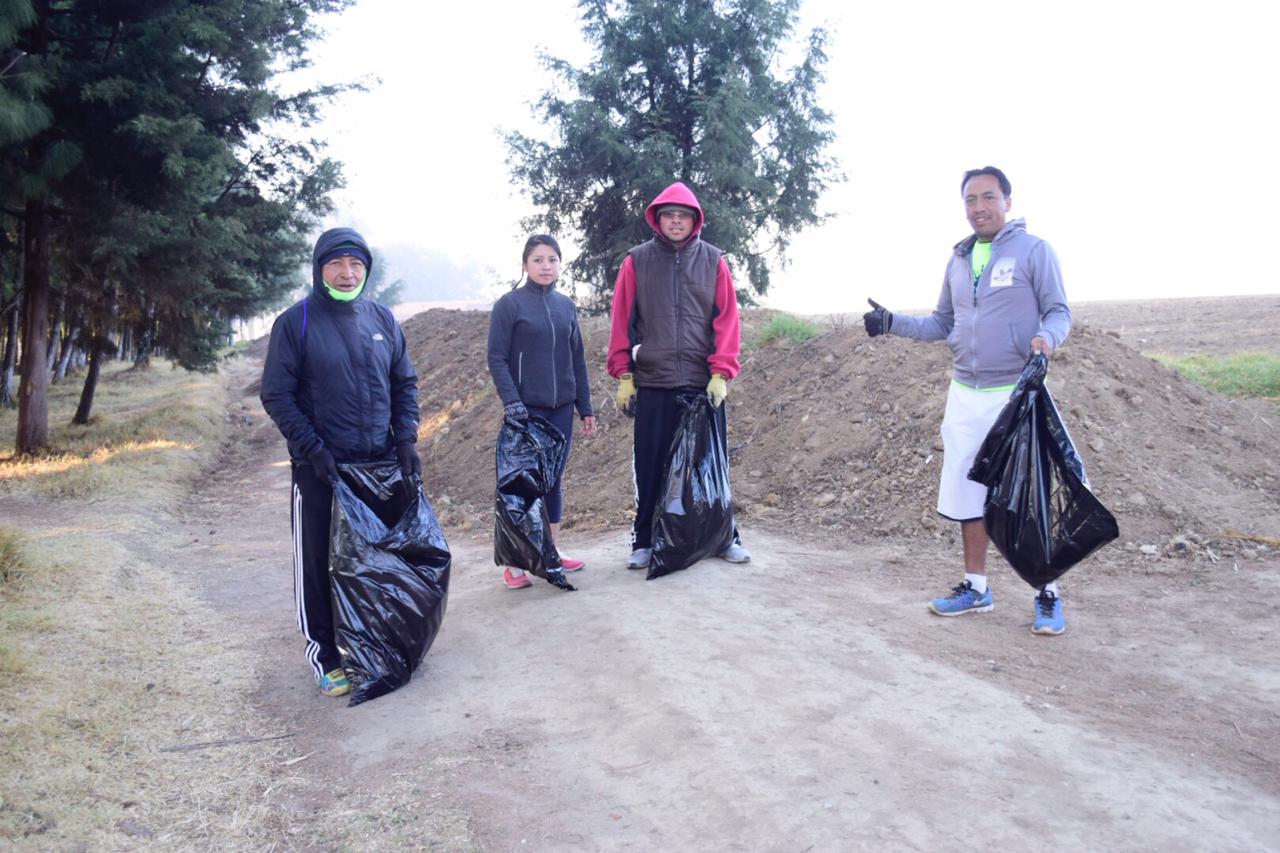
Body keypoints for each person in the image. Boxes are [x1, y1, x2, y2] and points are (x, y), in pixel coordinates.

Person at [864, 166, 1072, 635]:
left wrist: (1045, 338)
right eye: (970, 200)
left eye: (988, 197)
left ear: (1007, 201)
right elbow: (942, 323)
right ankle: (976, 587)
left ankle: (1048, 594)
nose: (979, 207)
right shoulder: (958, 260)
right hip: (965, 394)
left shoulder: (1034, 251)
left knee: (1029, 494)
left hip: (1016, 393)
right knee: (967, 492)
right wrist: (893, 322)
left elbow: (1059, 311)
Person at [260, 227, 421, 696]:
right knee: (317, 561)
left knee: (372, 560)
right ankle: (325, 655)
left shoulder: (382, 319)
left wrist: (405, 440)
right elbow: (277, 394)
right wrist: (314, 449)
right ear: (319, 268)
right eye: (336, 264)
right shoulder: (297, 322)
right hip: (321, 468)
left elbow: (403, 383)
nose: (347, 273)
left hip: (376, 464)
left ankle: (370, 642)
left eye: (356, 265)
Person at [607, 181, 750, 570]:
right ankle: (644, 540)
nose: (675, 221)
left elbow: (727, 320)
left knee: (710, 463)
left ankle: (723, 537)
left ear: (694, 220)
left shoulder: (714, 261)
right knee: (651, 466)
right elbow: (622, 320)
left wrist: (721, 371)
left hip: (702, 384)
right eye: (668, 215)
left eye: (682, 216)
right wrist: (624, 373)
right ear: (658, 219)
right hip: (654, 381)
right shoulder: (636, 262)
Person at [487, 234, 596, 589]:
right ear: (525, 265)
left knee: (553, 481)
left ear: (560, 264)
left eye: (552, 259)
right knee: (522, 486)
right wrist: (512, 401)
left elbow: (576, 358)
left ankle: (551, 550)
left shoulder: (566, 306)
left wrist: (585, 406)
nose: (546, 266)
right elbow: (497, 358)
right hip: (526, 411)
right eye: (538, 260)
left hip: (561, 409)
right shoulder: (510, 305)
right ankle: (516, 562)